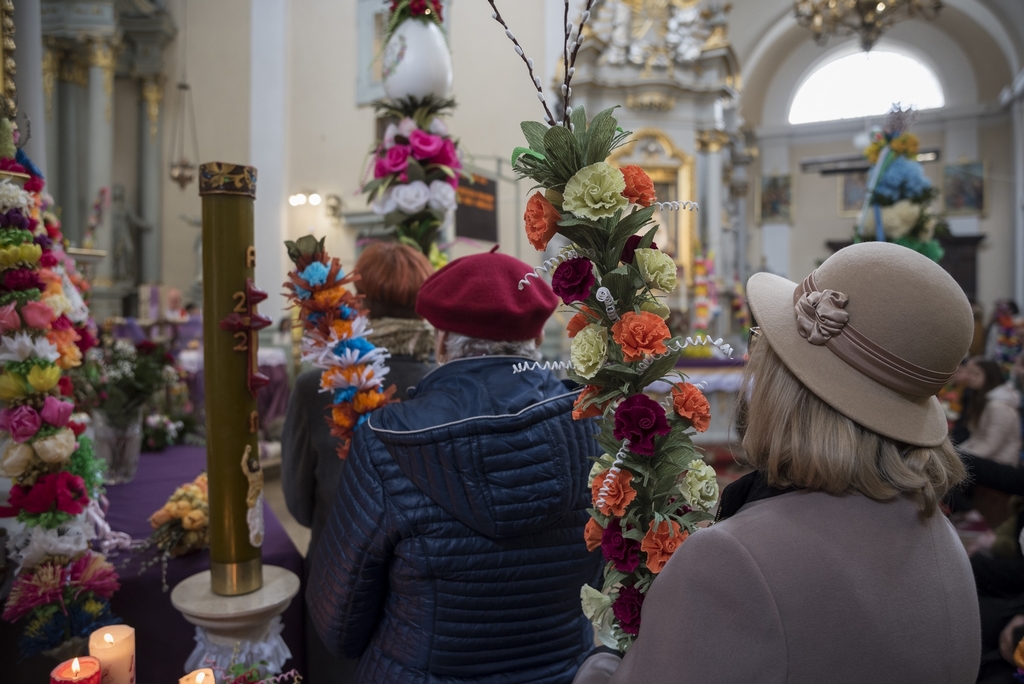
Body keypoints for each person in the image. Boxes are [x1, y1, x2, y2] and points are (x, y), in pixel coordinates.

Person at [574, 241, 980, 684]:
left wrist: (603, 663)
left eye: (761, 342)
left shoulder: (731, 561)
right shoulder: (941, 538)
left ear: (784, 384)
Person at [307, 249, 602, 684]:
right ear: (537, 338)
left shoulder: (386, 439)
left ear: (441, 342)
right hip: (563, 672)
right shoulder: (592, 425)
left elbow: (338, 619)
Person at [282, 242, 434, 684]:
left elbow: (298, 503)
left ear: (358, 299)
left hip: (337, 588)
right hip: (426, 599)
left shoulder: (316, 387)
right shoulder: (445, 384)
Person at [959, 357, 1022, 467]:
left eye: (976, 374)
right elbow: (976, 439)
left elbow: (991, 446)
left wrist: (959, 457)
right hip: (985, 458)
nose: (969, 377)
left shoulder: (999, 406)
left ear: (990, 377)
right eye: (969, 373)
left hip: (1000, 464)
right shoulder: (982, 399)